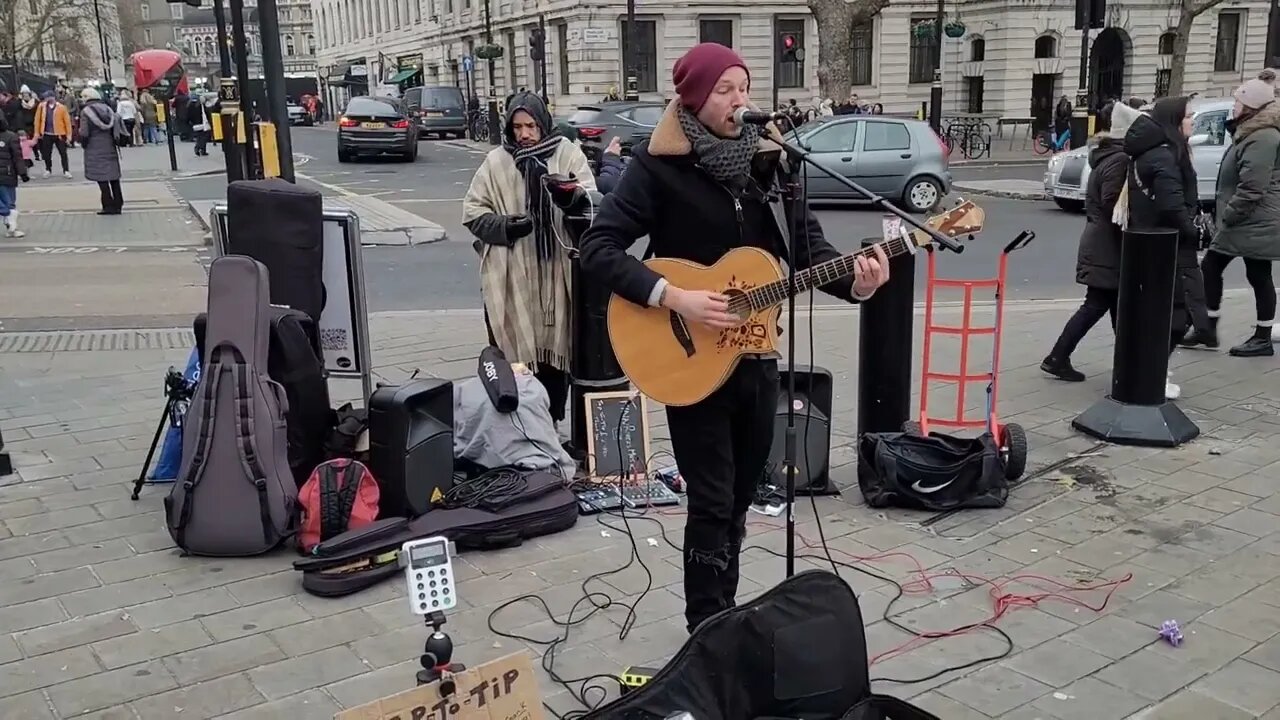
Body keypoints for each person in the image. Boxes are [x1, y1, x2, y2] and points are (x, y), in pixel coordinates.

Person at [578, 43, 890, 633]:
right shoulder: (657, 166)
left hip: (754, 358)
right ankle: (706, 623)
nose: (739, 99)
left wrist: (863, 284)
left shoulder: (773, 165)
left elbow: (811, 253)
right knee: (712, 499)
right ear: (695, 99)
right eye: (725, 89)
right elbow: (598, 248)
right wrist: (673, 295)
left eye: (744, 86)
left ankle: (723, 610)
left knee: (744, 495)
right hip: (688, 358)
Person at [461, 90, 595, 429]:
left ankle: (549, 421)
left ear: (543, 124)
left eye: (531, 125)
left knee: (556, 348)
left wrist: (570, 200)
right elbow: (473, 212)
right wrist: (505, 225)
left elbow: (591, 205)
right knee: (515, 352)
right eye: (518, 126)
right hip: (512, 275)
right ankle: (518, 426)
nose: (524, 134)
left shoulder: (566, 154)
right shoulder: (496, 161)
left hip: (557, 273)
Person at [1042, 102, 1142, 382]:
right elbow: (1113, 203)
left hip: (1102, 243)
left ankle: (1125, 361)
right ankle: (1058, 357)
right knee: (1098, 304)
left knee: (1111, 306)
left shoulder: (1109, 156)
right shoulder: (1120, 160)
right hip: (1106, 246)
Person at [1187, 78, 1280, 357]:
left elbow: (1253, 185)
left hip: (1254, 218)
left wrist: (1229, 214)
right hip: (1249, 218)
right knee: (1223, 268)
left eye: (1238, 101)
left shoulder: (1263, 136)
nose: (1234, 106)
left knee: (1250, 272)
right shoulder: (1251, 131)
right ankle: (1208, 327)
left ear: (1251, 106)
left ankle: (1259, 336)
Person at [1116, 96, 1200, 399]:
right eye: (1188, 116)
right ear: (1174, 121)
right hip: (1167, 245)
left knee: (1168, 313)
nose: (1192, 120)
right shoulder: (1164, 156)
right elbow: (1171, 204)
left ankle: (1149, 370)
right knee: (1181, 313)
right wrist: (1193, 232)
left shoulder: (1156, 153)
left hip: (1154, 243)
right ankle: (1152, 373)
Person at [78, 88, 124, 215]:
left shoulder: (86, 112)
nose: (81, 99)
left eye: (83, 96)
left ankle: (108, 205)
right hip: (109, 146)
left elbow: (84, 133)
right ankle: (118, 204)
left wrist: (84, 144)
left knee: (102, 178)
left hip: (94, 147)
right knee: (114, 177)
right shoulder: (108, 109)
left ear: (87, 97)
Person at [0, 113, 31, 238]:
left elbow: (17, 157)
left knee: (9, 203)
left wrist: (22, 172)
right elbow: (18, 157)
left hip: (7, 175)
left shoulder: (10, 137)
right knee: (9, 204)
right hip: (8, 174)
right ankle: (9, 219)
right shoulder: (11, 136)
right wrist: (22, 173)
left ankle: (11, 227)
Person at [32, 91, 72, 178]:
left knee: (63, 153)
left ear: (52, 97)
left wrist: (69, 135)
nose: (46, 99)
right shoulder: (42, 106)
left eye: (47, 97)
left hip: (60, 134)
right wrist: (37, 133)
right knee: (47, 153)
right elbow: (37, 120)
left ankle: (66, 170)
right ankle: (48, 169)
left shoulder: (61, 107)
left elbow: (67, 122)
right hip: (46, 133)